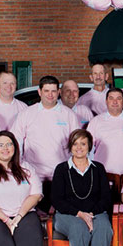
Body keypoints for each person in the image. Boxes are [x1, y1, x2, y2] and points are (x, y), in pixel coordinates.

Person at [51, 129, 113, 246]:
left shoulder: (98, 168)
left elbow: (106, 198)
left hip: (95, 213)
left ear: (89, 147)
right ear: (70, 147)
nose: (79, 147)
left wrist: (90, 214)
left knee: (104, 229)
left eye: (83, 144)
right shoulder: (61, 169)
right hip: (67, 215)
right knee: (79, 229)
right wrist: (80, 214)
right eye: (75, 143)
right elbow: (57, 200)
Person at [9, 76, 80, 206]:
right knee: (36, 211)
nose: (50, 95)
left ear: (59, 92)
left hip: (61, 174)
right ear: (39, 92)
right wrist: (18, 166)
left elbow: (77, 144)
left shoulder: (68, 114)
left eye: (53, 91)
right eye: (46, 91)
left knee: (60, 211)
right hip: (33, 174)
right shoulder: (27, 113)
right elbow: (16, 141)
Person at [87, 88, 123, 175]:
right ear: (106, 101)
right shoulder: (95, 122)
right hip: (101, 175)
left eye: (118, 98)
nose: (115, 102)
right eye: (111, 98)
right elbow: (89, 150)